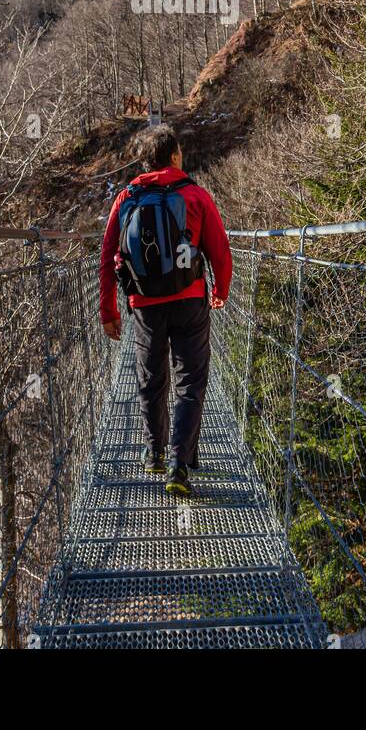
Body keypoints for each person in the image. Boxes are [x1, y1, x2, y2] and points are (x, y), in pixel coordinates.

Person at [99, 124, 232, 497]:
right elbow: (220, 250)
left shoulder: (126, 198)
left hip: (143, 303)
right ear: (174, 156)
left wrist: (108, 309)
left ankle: (154, 452)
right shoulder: (195, 195)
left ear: (145, 161)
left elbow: (109, 256)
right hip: (189, 298)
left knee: (151, 377)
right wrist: (220, 291)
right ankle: (179, 464)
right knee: (190, 381)